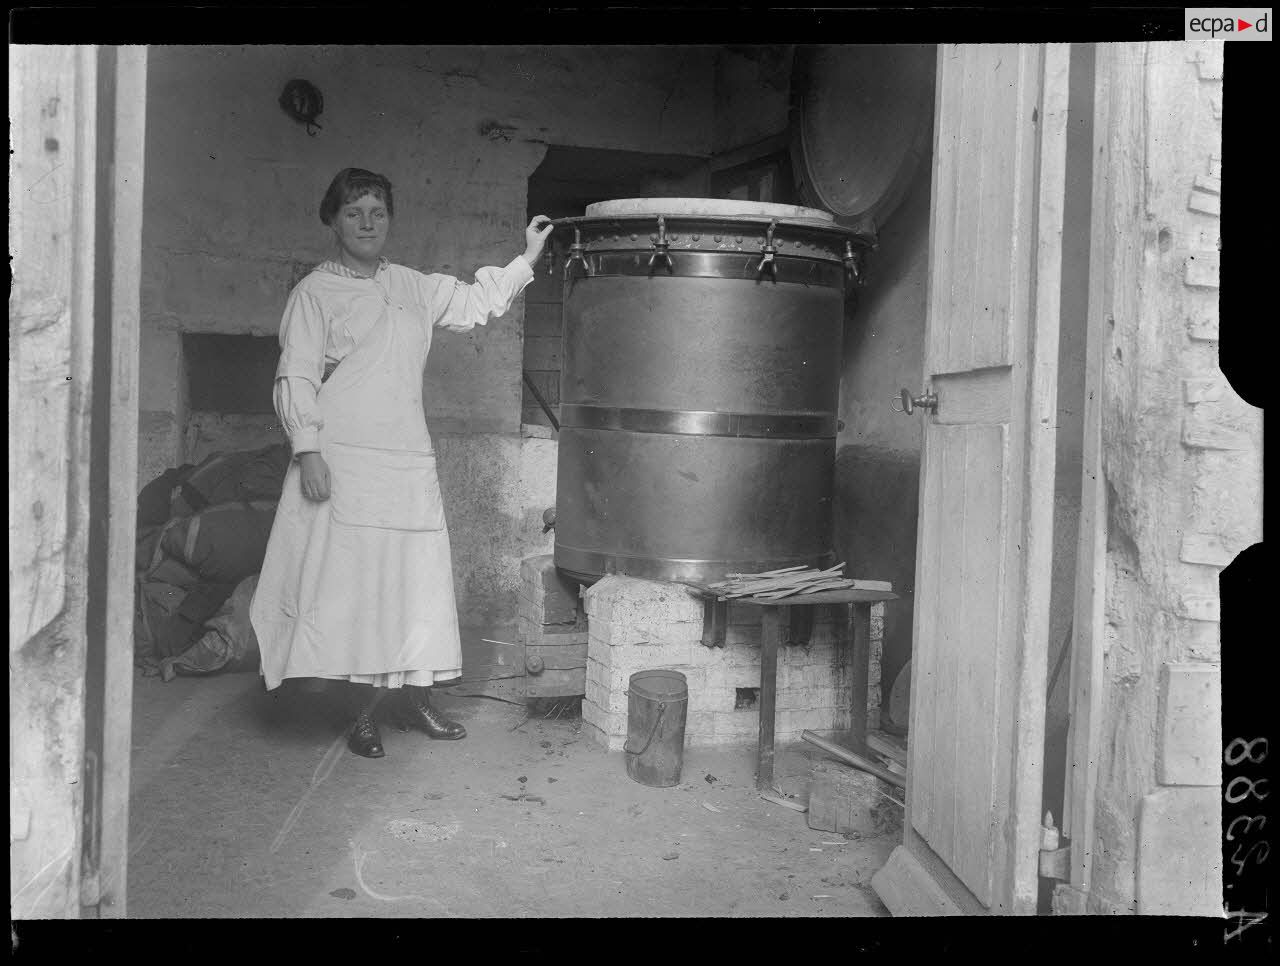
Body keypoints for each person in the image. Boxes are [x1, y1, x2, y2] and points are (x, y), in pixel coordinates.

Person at [250, 167, 553, 758]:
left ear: (390, 220)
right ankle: (361, 709)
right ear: (332, 220)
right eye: (353, 211)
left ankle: (413, 699)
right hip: (343, 457)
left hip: (406, 456)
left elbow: (474, 302)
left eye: (378, 212)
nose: (367, 223)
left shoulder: (412, 285)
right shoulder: (315, 292)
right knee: (356, 585)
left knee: (414, 580)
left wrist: (526, 256)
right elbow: (297, 375)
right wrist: (308, 452)